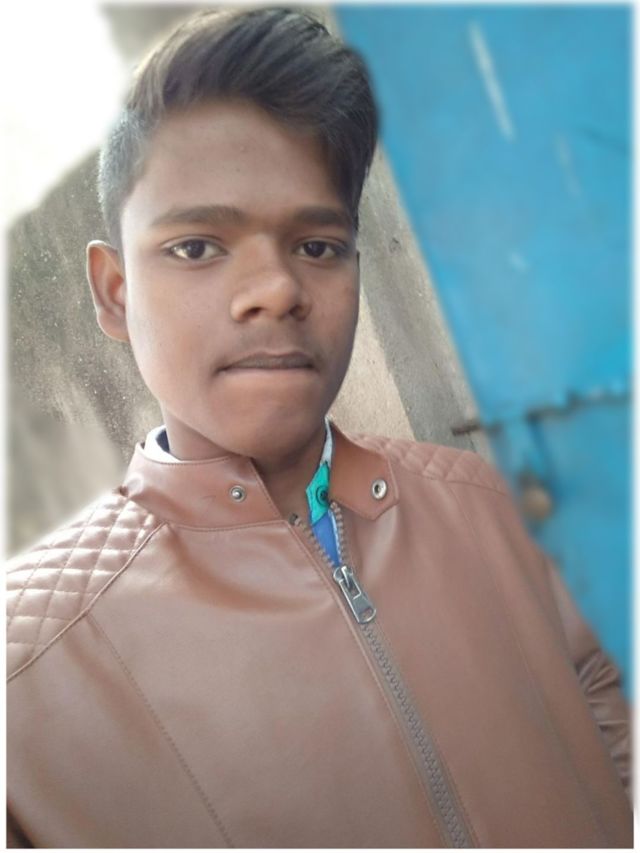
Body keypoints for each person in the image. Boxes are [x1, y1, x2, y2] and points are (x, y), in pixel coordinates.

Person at [6, 7, 631, 848]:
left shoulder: (483, 508)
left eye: (317, 245)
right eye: (197, 247)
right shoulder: (29, 675)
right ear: (115, 292)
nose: (276, 288)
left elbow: (605, 725)